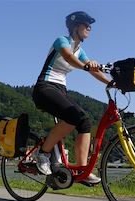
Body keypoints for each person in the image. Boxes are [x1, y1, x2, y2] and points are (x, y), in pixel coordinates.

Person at [32, 11, 111, 184]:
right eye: (86, 24)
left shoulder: (80, 50)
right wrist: (86, 66)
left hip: (60, 90)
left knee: (85, 122)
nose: (89, 28)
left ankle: (83, 170)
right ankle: (43, 153)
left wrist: (110, 83)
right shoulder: (62, 41)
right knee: (74, 116)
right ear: (75, 26)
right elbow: (68, 57)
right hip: (45, 87)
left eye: (90, 25)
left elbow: (92, 70)